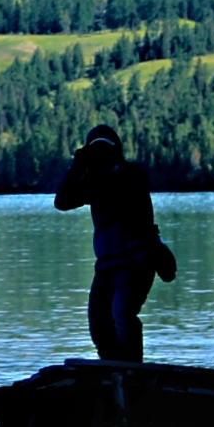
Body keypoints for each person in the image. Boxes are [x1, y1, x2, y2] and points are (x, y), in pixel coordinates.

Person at [55, 124, 172, 361]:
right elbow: (62, 201)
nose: (100, 155)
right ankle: (113, 369)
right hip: (106, 266)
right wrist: (76, 168)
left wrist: (92, 176)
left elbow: (122, 192)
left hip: (137, 261)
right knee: (98, 322)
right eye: (94, 151)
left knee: (122, 314)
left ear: (116, 150)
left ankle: (131, 372)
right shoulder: (92, 181)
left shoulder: (133, 175)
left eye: (105, 150)